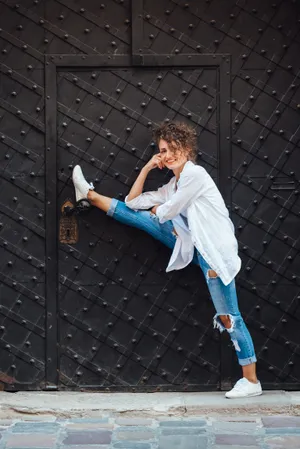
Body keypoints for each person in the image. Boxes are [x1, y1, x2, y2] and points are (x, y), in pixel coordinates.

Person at [72, 121, 262, 399]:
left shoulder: (195, 175)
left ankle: (251, 380)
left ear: (187, 149)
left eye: (173, 148)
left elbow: (169, 210)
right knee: (139, 215)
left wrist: (160, 209)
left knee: (229, 317)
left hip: (214, 254)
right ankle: (88, 194)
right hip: (194, 246)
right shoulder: (173, 184)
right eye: (162, 150)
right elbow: (133, 200)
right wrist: (148, 168)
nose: (168, 154)